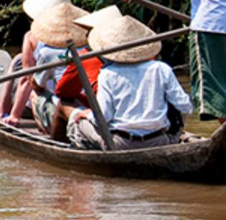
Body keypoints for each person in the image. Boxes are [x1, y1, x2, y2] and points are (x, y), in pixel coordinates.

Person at [68, 14, 192, 150]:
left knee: (77, 121)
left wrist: (86, 115)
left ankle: (87, 161)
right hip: (159, 141)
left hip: (120, 144)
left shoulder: (107, 74)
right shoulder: (161, 68)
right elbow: (185, 106)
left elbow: (103, 117)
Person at [0, 0, 88, 128]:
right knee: (19, 60)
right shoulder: (85, 36)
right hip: (81, 99)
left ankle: (1, 112)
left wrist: (15, 116)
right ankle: (2, 111)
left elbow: (27, 80)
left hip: (50, 102)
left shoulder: (31, 37)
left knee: (17, 63)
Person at [49, 5, 120, 141]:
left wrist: (87, 109)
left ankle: (56, 149)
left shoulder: (85, 57)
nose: (86, 37)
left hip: (112, 126)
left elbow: (64, 93)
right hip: (141, 121)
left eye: (89, 33)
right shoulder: (148, 58)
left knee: (63, 104)